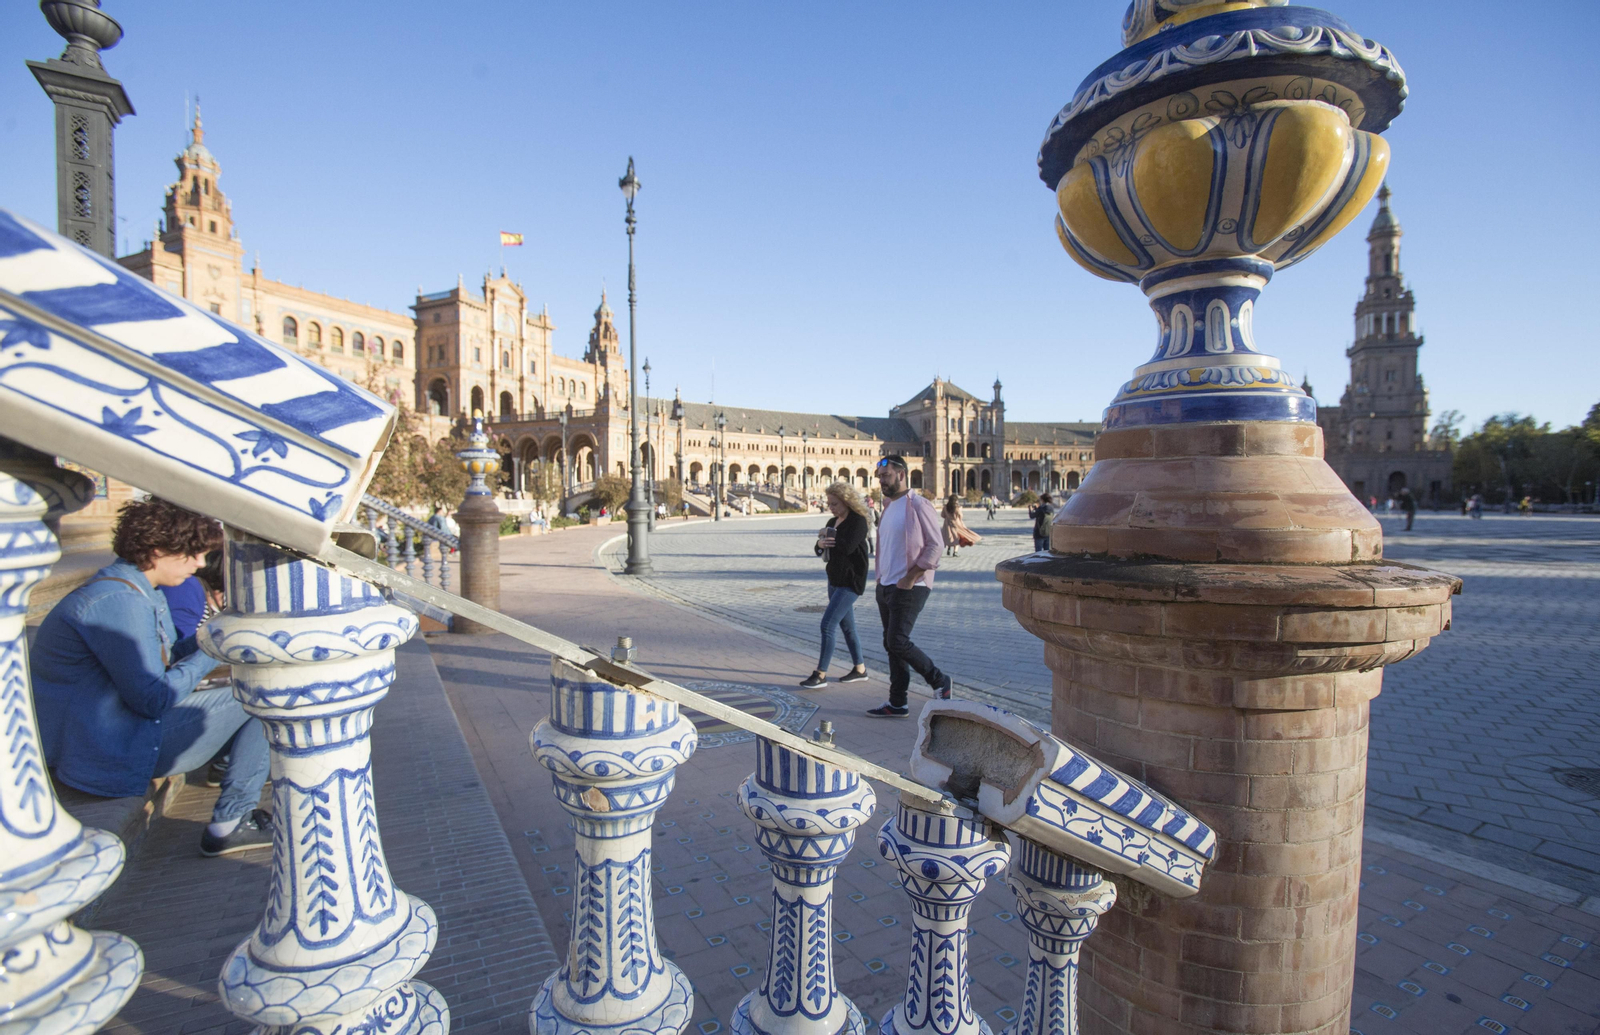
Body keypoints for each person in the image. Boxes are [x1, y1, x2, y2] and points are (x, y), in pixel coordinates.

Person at [31, 498, 272, 857]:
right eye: (191, 554)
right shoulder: (117, 600)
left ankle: (230, 797)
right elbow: (153, 698)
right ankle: (231, 820)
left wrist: (219, 632)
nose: (200, 564)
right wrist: (211, 650)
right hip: (103, 749)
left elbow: (164, 658)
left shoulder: (135, 588)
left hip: (111, 731)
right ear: (158, 550)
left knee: (253, 689)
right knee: (260, 697)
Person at [866, 456, 951, 717]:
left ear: (902, 475)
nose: (881, 481)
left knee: (898, 640)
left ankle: (939, 681)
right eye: (879, 476)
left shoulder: (919, 505)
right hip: (887, 584)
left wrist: (911, 577)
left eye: (886, 475)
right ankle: (898, 702)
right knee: (891, 643)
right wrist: (881, 579)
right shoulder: (889, 505)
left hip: (910, 585)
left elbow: (936, 546)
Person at [799, 482, 873, 689]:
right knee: (848, 627)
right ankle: (860, 669)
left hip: (850, 582)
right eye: (829, 503)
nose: (831, 508)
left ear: (846, 501)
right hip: (834, 580)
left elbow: (848, 547)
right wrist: (819, 544)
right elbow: (822, 547)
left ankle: (820, 674)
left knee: (827, 625)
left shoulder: (858, 521)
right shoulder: (833, 521)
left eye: (835, 504)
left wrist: (828, 536)